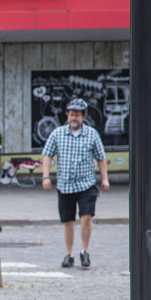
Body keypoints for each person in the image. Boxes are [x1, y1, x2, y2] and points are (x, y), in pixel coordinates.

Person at [40, 98, 109, 268]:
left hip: (86, 184)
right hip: (65, 185)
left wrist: (105, 178)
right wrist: (46, 176)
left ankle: (84, 251)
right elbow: (47, 155)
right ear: (67, 115)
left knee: (86, 217)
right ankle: (68, 254)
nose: (73, 118)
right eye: (71, 115)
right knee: (68, 221)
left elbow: (101, 158)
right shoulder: (57, 133)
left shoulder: (92, 134)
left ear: (83, 116)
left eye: (77, 115)